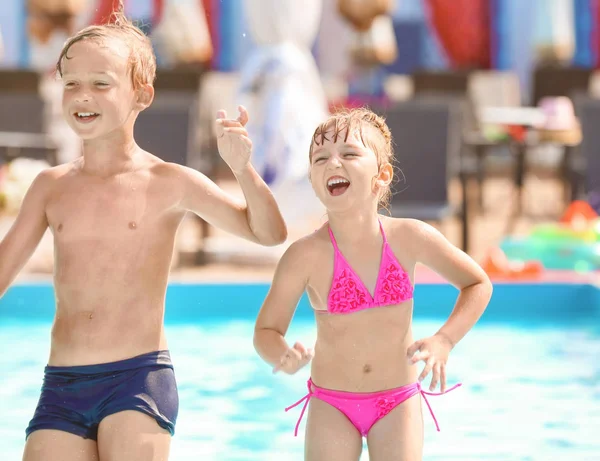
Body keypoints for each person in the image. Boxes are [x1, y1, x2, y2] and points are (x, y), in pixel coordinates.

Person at [0, 8, 287, 461]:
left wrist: (243, 169)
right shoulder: (50, 188)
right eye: (71, 82)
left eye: (100, 83)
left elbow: (268, 233)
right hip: (62, 382)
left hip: (137, 379)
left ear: (142, 94)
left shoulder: (171, 182)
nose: (82, 96)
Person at [253, 108, 493, 460]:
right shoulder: (304, 255)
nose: (333, 163)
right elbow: (266, 331)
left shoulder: (410, 236)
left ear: (381, 176)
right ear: (314, 180)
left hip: (398, 400)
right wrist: (282, 357)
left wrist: (445, 340)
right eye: (320, 158)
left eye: (349, 153)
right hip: (332, 403)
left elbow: (477, 283)